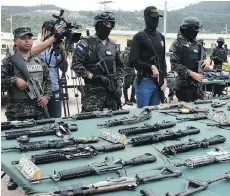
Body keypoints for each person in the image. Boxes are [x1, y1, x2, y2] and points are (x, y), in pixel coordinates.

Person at [1, 27, 52, 190]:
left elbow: (48, 83)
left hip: (38, 110)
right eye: (23, 38)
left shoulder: (39, 62)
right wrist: (14, 80)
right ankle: (14, 176)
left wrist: (46, 97)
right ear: (16, 41)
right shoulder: (8, 62)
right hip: (17, 111)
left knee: (38, 142)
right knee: (17, 145)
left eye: (30, 37)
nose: (28, 40)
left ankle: (34, 170)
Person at [72, 11, 124, 112]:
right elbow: (75, 64)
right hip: (93, 93)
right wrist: (91, 76)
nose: (109, 26)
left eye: (111, 24)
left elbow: (120, 67)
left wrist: (119, 82)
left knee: (113, 121)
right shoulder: (86, 43)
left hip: (111, 92)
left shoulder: (113, 45)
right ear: (98, 24)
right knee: (90, 121)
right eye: (106, 23)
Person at [129, 6, 167, 108]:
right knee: (142, 114)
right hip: (144, 82)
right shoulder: (139, 37)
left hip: (158, 83)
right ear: (146, 18)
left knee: (155, 116)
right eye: (153, 18)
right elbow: (132, 61)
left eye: (157, 18)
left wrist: (165, 78)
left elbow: (163, 60)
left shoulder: (161, 37)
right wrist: (151, 67)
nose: (156, 20)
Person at [169, 16, 211, 102]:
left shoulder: (198, 44)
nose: (198, 31)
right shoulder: (177, 44)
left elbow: (204, 58)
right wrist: (191, 74)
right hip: (184, 87)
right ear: (188, 29)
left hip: (198, 85)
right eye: (195, 29)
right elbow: (174, 65)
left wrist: (207, 61)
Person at [32, 21, 68, 118]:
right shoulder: (34, 44)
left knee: (56, 119)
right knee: (40, 122)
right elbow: (31, 53)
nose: (54, 35)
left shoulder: (57, 47)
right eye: (52, 32)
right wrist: (50, 41)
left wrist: (63, 53)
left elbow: (64, 69)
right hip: (38, 91)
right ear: (43, 30)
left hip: (54, 89)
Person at [121, 39, 136, 105]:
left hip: (131, 72)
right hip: (128, 72)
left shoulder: (127, 52)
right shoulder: (127, 53)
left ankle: (132, 98)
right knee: (125, 86)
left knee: (135, 85)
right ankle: (126, 100)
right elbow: (127, 62)